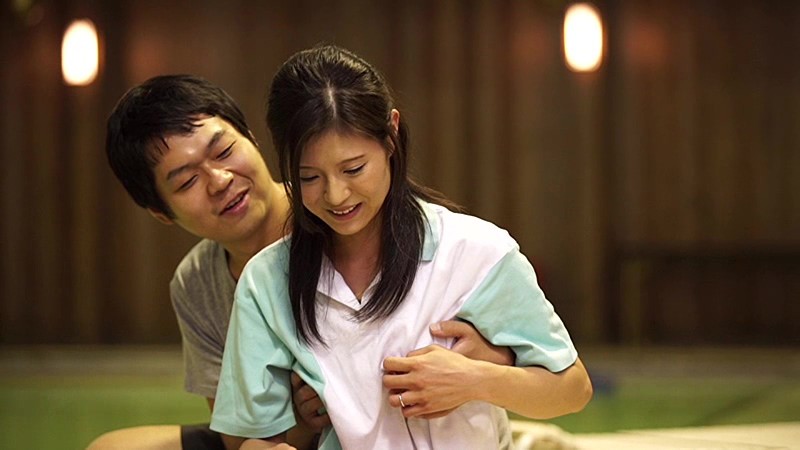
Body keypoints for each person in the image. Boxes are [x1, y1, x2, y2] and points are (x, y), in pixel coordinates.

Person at [88, 75, 517, 450]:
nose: (219, 181)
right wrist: (301, 422)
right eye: (186, 181)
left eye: (223, 151)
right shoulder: (198, 282)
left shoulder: (344, 213)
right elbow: (237, 434)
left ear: (253, 139)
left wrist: (495, 360)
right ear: (162, 213)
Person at [210, 45, 592, 449]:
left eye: (353, 168)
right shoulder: (267, 281)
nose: (336, 195)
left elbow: (572, 388)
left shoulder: (476, 253)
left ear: (391, 134)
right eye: (309, 177)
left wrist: (475, 380)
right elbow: (247, 435)